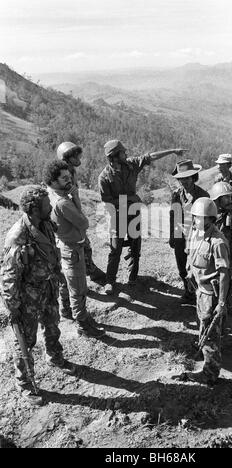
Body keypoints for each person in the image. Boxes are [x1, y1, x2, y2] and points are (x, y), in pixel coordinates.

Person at [0, 187, 76, 406]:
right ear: (34, 209)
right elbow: (8, 275)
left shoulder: (46, 223)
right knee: (25, 340)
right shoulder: (18, 235)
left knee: (52, 325)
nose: (51, 207)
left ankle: (54, 357)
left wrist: (58, 273)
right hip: (28, 295)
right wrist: (13, 307)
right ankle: (24, 383)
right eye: (46, 205)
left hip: (48, 286)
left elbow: (52, 250)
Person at [99, 139, 187, 295]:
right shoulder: (104, 177)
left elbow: (149, 157)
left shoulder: (131, 165)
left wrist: (172, 150)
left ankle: (132, 277)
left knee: (135, 247)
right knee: (115, 249)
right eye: (123, 152)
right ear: (114, 156)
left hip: (133, 213)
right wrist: (130, 199)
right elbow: (107, 202)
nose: (126, 154)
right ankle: (110, 281)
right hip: (117, 216)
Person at [45, 160, 104, 338]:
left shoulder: (50, 194)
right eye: (64, 178)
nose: (69, 180)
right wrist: (76, 197)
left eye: (69, 177)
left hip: (61, 245)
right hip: (72, 248)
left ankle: (67, 311)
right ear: (54, 181)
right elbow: (84, 223)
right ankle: (83, 324)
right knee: (78, 289)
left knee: (67, 283)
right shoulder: (64, 203)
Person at [183, 198, 231, 385]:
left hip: (211, 295)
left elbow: (224, 273)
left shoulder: (218, 241)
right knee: (203, 329)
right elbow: (191, 255)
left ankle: (210, 373)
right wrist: (189, 272)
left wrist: (222, 302)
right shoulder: (195, 233)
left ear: (211, 218)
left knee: (210, 335)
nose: (197, 220)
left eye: (201, 218)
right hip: (199, 291)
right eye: (195, 217)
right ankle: (207, 362)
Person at [57, 141, 106, 284]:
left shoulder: (70, 170)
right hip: (67, 212)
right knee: (80, 242)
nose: (78, 158)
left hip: (72, 209)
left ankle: (88, 269)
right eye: (75, 156)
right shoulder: (64, 174)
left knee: (82, 243)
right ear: (66, 158)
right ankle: (87, 272)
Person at [169, 160, 209, 302]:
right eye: (181, 179)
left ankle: (201, 295)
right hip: (180, 236)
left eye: (187, 178)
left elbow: (208, 219)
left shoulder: (203, 195)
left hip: (196, 237)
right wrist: (172, 236)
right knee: (182, 267)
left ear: (193, 177)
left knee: (197, 267)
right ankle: (188, 292)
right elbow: (173, 215)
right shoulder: (176, 195)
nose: (184, 181)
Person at [210, 181, 232, 274]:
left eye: (230, 197)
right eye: (227, 197)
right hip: (210, 260)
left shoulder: (230, 215)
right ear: (217, 199)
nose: (230, 200)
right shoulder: (207, 216)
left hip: (227, 260)